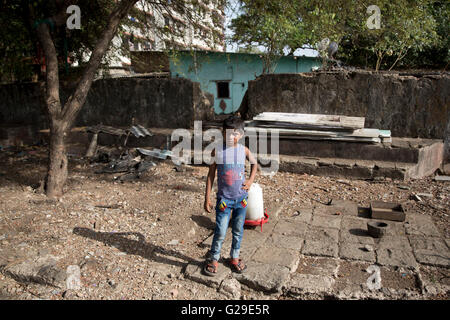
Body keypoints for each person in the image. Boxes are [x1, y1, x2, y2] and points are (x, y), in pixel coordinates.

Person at [203, 115, 258, 276]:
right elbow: (210, 175)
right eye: (228, 132)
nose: (231, 136)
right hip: (224, 200)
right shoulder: (217, 150)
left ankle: (234, 257)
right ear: (223, 132)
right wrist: (207, 198)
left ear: (241, 135)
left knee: (238, 230)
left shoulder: (244, 150)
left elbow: (255, 164)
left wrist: (250, 181)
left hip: (241, 199)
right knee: (220, 230)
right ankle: (214, 258)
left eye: (235, 133)